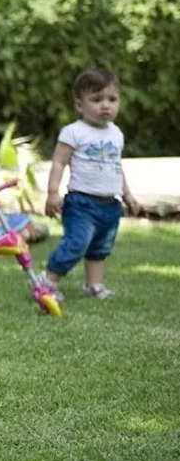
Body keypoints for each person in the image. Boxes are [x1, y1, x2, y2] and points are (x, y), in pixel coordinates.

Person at [42, 67, 140, 300]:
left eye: (112, 99)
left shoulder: (116, 134)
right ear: (79, 105)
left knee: (100, 247)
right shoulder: (74, 132)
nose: (105, 105)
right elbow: (59, 163)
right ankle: (47, 281)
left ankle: (94, 284)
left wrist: (127, 194)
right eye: (96, 100)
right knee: (77, 243)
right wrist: (53, 192)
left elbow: (116, 166)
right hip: (82, 203)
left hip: (110, 204)